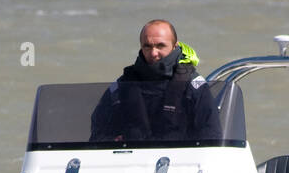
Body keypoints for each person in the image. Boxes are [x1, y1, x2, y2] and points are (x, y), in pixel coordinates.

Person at [89, 20, 221, 142]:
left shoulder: (193, 85)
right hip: (132, 160)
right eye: (147, 46)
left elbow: (211, 135)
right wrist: (111, 141)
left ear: (175, 46)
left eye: (160, 46)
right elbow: (97, 133)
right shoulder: (122, 85)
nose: (153, 53)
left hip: (179, 161)